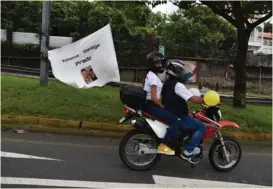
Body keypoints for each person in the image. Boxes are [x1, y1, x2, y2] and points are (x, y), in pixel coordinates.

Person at [161, 59, 206, 164]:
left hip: (169, 112)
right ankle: (188, 151)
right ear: (176, 71)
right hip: (178, 115)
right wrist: (206, 100)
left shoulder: (167, 83)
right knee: (201, 127)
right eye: (181, 71)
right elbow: (192, 99)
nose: (183, 73)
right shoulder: (178, 85)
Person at [143, 51, 184, 155]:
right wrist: (162, 106)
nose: (160, 65)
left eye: (160, 63)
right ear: (151, 64)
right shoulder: (153, 78)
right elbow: (153, 97)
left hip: (150, 104)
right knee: (176, 121)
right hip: (151, 105)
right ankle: (163, 145)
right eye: (157, 63)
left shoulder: (151, 75)